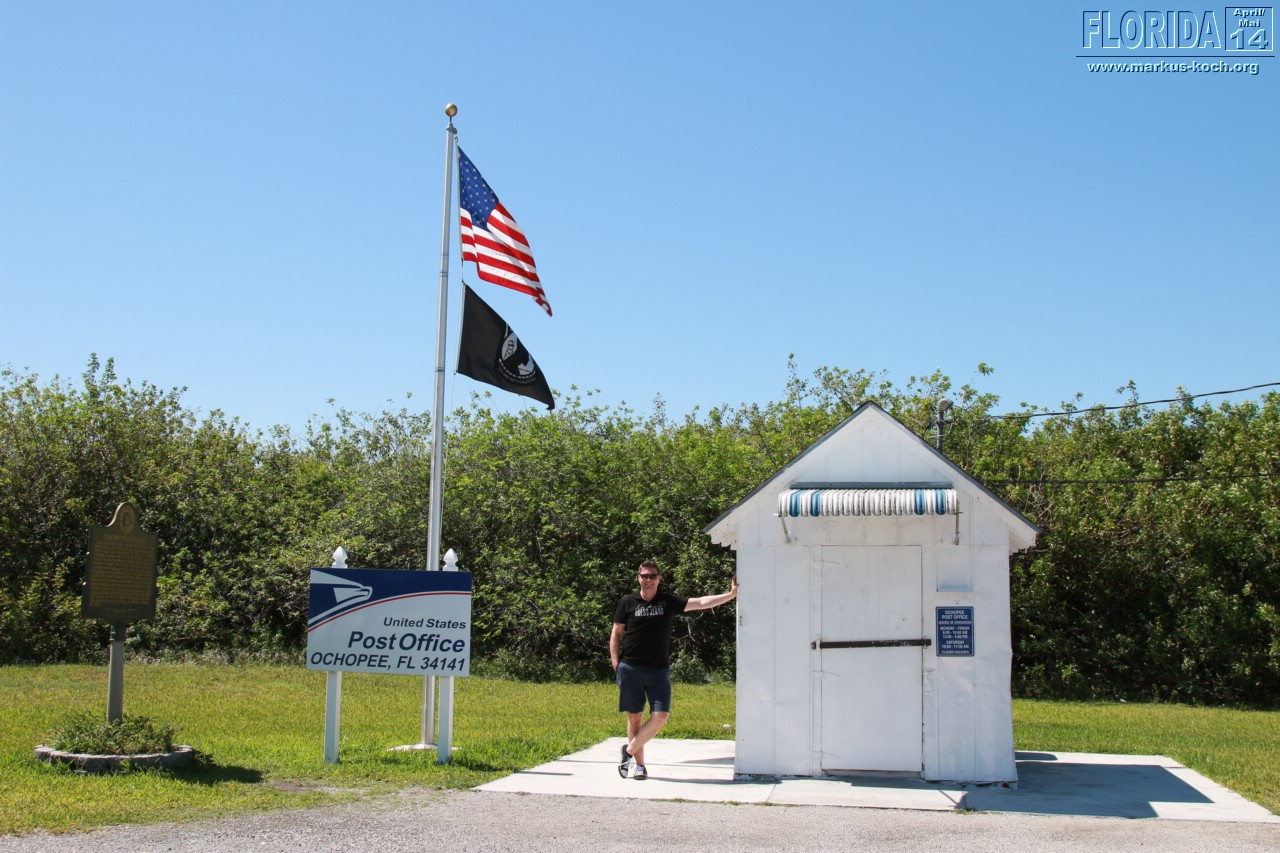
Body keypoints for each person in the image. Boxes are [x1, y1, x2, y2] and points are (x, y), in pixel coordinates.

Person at [609, 559, 738, 780]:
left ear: (659, 578)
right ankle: (640, 766)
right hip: (630, 668)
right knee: (635, 717)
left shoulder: (668, 601)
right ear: (638, 578)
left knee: (661, 715)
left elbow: (701, 602)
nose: (648, 580)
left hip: (658, 670)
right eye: (644, 576)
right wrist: (615, 662)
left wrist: (731, 594)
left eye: (652, 576)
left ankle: (628, 751)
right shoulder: (627, 602)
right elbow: (616, 633)